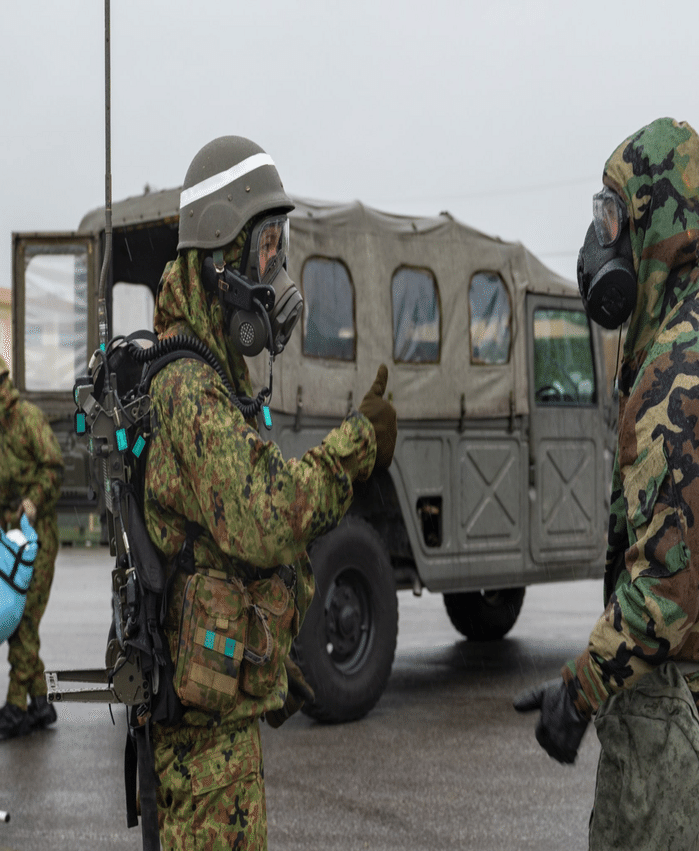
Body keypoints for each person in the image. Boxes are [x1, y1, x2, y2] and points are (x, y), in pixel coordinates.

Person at [514, 118, 699, 851]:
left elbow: (662, 591)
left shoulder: (677, 376)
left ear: (649, 224)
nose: (599, 236)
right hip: (694, 706)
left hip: (679, 716)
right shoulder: (688, 332)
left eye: (611, 215)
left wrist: (577, 691)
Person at [143, 135, 396, 849]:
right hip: (204, 751)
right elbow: (267, 515)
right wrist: (358, 447)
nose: (275, 268)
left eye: (278, 246)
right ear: (221, 254)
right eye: (265, 246)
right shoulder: (189, 387)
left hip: (215, 730)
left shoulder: (208, 374)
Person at [0, 353, 63, 739]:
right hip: (11, 542)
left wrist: (33, 501)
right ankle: (40, 704)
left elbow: (54, 467)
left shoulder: (26, 419)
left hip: (38, 538)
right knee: (18, 617)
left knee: (23, 622)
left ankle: (14, 708)